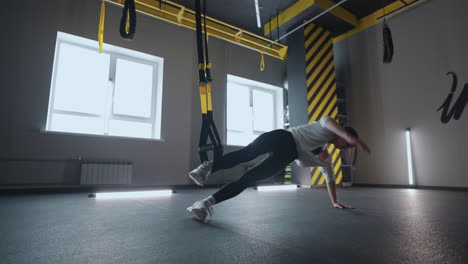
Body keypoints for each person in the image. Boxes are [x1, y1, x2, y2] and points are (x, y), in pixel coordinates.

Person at [187, 116, 371, 222]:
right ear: (344, 136)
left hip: (286, 156)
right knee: (246, 154)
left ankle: (203, 204)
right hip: (282, 138)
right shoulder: (325, 123)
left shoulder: (322, 154)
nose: (345, 148)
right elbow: (343, 133)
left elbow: (329, 177)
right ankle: (207, 167)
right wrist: (354, 140)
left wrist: (334, 201)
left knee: (248, 179)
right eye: (346, 145)